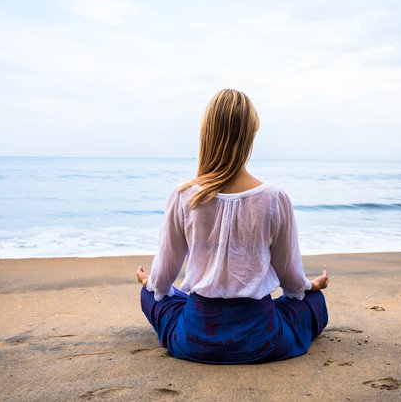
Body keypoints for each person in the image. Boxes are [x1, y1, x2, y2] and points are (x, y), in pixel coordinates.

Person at [136, 88, 329, 364]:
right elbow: (292, 283)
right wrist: (312, 285)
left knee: (152, 295)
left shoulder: (183, 195)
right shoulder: (274, 197)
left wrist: (148, 283)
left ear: (207, 134)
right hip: (263, 340)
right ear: (250, 136)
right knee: (313, 301)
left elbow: (163, 279)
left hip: (195, 339)